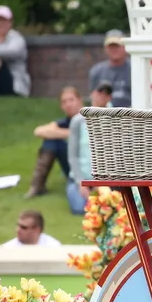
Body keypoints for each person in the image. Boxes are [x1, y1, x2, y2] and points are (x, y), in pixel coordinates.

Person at [27, 87, 84, 198]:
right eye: (64, 102)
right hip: (72, 164)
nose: (68, 104)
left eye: (71, 100)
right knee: (51, 142)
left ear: (79, 101)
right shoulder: (65, 122)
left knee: (53, 138)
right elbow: (38, 131)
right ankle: (37, 186)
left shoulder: (88, 118)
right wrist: (70, 133)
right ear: (61, 106)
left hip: (89, 166)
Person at [66, 83, 111, 214]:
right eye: (99, 92)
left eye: (106, 93)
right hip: (82, 178)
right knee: (79, 208)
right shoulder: (78, 120)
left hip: (107, 180)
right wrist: (80, 182)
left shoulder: (116, 119)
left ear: (110, 97)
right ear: (92, 93)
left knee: (106, 209)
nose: (102, 96)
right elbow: (72, 156)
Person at [88, 30, 131, 107]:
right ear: (105, 48)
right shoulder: (96, 71)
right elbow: (93, 99)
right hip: (104, 114)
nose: (114, 49)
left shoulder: (134, 69)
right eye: (111, 46)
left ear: (125, 47)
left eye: (117, 46)